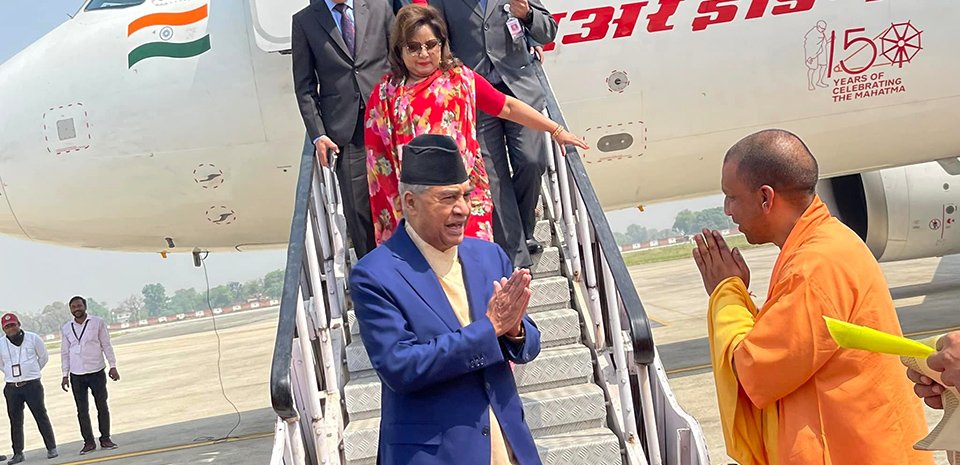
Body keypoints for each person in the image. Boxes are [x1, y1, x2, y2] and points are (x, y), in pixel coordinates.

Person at [693, 129, 932, 465]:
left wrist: (727, 293)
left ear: (765, 198)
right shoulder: (822, 245)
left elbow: (755, 372)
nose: (728, 210)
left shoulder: (814, 265)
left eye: (731, 197)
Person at [350, 134, 542, 464]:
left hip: (508, 446)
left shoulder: (489, 256)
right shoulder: (374, 275)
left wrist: (514, 330)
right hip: (435, 455)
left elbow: (528, 343)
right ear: (410, 202)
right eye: (448, 197)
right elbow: (400, 367)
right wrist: (490, 328)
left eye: (466, 195)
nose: (463, 209)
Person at [364, 4, 587, 247]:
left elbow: (507, 106)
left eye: (431, 44)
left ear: (442, 44)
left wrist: (555, 130)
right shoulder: (385, 96)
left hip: (466, 201)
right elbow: (379, 164)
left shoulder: (460, 79)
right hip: (417, 209)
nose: (423, 54)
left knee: (475, 262)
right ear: (399, 50)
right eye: (413, 47)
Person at [429, 0, 558, 268]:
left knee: (532, 161)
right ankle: (517, 255)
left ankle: (524, 227)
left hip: (519, 90)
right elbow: (440, 41)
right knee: (493, 178)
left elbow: (548, 31)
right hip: (476, 96)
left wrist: (527, 14)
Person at [292, 0, 395, 258]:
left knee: (401, 196)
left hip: (387, 120)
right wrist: (318, 134)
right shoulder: (305, 21)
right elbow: (304, 86)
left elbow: (398, 59)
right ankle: (373, 271)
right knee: (359, 209)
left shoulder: (379, 7)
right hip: (346, 132)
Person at [60, 296, 119, 455]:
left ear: (85, 306)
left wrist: (113, 366)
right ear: (70, 309)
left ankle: (105, 439)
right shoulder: (66, 328)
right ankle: (88, 442)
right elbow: (65, 352)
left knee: (102, 406)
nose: (77, 309)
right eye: (73, 307)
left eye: (79, 306)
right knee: (82, 410)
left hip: (96, 371)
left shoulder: (97, 322)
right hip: (76, 374)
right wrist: (65, 374)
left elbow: (106, 344)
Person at [0, 313, 57, 464]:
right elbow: (1, 364)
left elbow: (43, 357)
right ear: (3, 329)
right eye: (7, 326)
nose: (11, 328)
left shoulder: (33, 338)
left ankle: (51, 447)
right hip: (12, 388)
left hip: (32, 385)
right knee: (15, 421)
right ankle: (18, 453)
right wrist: (12, 375)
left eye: (13, 325)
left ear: (19, 324)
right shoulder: (1, 344)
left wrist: (32, 371)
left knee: (40, 416)